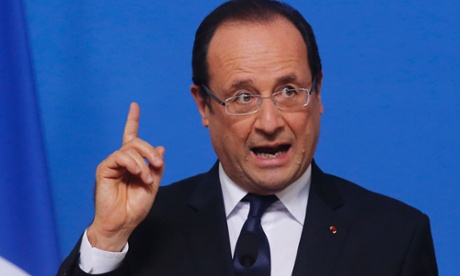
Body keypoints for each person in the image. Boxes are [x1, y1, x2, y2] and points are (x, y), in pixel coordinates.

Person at [57, 0, 438, 275]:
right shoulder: (142, 229)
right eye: (243, 97)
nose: (269, 122)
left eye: (289, 91)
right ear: (204, 106)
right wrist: (107, 239)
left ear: (318, 93)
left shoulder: (396, 236)